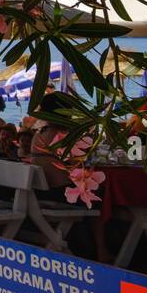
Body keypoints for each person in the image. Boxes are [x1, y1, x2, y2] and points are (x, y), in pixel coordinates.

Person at [27, 91, 110, 262]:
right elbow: (86, 162)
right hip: (62, 195)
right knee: (102, 196)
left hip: (43, 193)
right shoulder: (66, 135)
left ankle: (90, 248)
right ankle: (101, 251)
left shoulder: (39, 134)